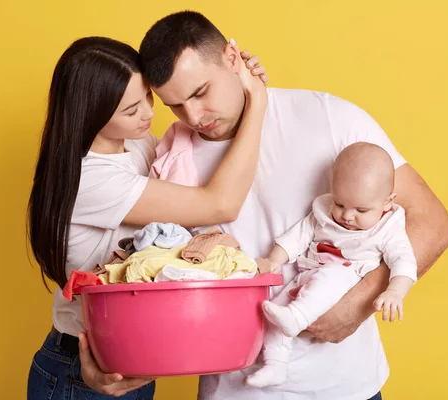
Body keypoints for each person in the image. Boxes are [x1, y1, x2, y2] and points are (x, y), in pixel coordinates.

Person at [111, 10, 448, 400]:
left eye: (200, 93)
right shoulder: (169, 158)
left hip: (344, 387)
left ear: (232, 58)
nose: (194, 117)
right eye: (175, 106)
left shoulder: (327, 117)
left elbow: (432, 222)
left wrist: (357, 304)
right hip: (231, 390)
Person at [26, 35, 268, 399]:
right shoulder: (89, 177)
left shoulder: (141, 146)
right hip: (83, 370)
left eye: (147, 98)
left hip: (133, 362)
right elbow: (218, 203)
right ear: (91, 113)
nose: (150, 114)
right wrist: (258, 103)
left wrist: (234, 86)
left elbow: (215, 153)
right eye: (131, 109)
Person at [245, 142, 418, 388]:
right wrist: (275, 260)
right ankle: (275, 364)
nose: (347, 216)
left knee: (330, 277)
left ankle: (297, 316)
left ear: (388, 202)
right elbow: (298, 236)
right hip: (308, 275)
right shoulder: (324, 212)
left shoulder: (388, 228)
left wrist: (395, 291)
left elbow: (404, 260)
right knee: (274, 312)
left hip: (345, 280)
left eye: (361, 209)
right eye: (340, 204)